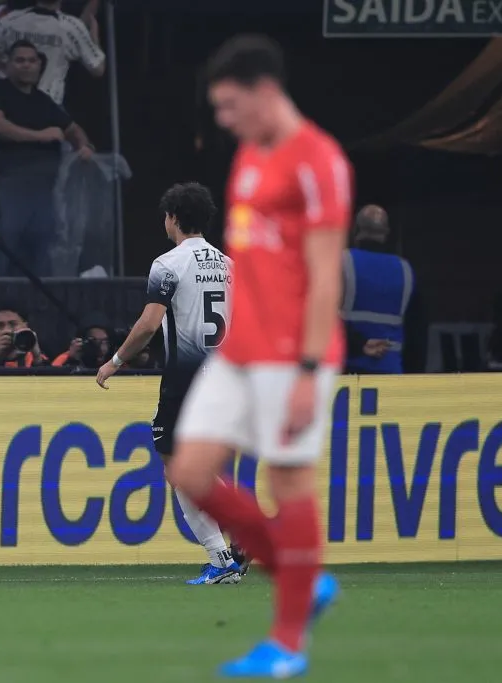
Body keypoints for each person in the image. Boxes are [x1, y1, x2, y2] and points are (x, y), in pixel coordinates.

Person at [167, 35, 350, 678]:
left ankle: (287, 646)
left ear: (265, 92)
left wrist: (307, 371)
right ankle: (301, 574)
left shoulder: (319, 161)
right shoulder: (248, 154)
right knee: (189, 471)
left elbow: (327, 276)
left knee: (288, 482)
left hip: (293, 354)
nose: (223, 120)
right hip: (239, 349)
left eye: (229, 105)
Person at [95, 182, 246, 585]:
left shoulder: (168, 264)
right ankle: (237, 539)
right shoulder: (229, 265)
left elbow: (148, 324)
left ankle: (222, 556)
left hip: (188, 378)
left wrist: (115, 361)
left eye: (165, 216)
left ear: (173, 218)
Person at [0, 39, 93, 277]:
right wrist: (40, 136)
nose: (26, 65)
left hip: (44, 192)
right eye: (20, 60)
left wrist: (82, 146)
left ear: (40, 65)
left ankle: (39, 311)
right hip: (5, 189)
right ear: (8, 64)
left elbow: (72, 129)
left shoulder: (43, 100)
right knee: (3, 255)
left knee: (41, 258)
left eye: (31, 60)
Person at [341, 204, 423, 374]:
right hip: (390, 372)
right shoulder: (406, 270)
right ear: (386, 233)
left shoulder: (343, 262)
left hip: (347, 370)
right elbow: (418, 332)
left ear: (355, 230)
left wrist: (358, 344)